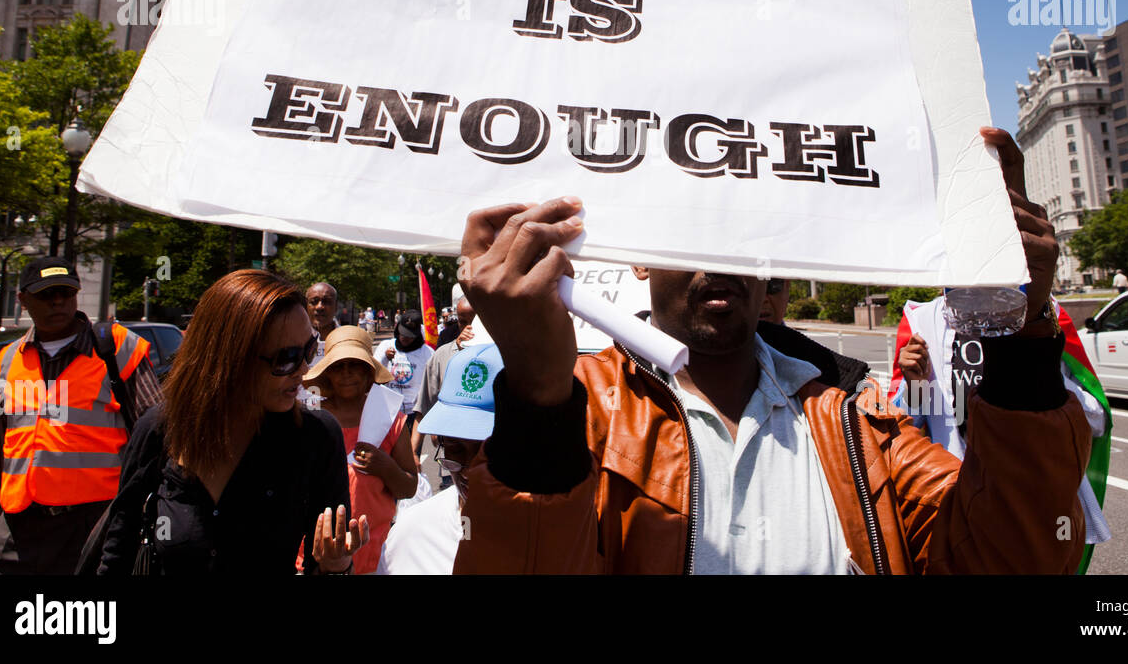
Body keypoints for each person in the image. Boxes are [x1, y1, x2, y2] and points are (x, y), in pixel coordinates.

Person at [451, 128, 1092, 574]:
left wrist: (1020, 325)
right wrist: (537, 398)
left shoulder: (860, 428)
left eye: (743, 237)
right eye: (691, 236)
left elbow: (1019, 555)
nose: (719, 261)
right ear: (642, 259)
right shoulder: (582, 413)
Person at [97, 270, 366, 575]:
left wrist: (337, 566)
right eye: (287, 357)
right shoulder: (160, 430)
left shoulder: (315, 437)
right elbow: (117, 554)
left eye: (308, 349)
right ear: (230, 358)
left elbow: (326, 564)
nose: (304, 369)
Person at [890, 293, 1112, 572]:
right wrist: (915, 386)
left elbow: (1096, 418)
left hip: (1035, 502)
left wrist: (1041, 381)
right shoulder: (921, 320)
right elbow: (901, 430)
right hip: (955, 501)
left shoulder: (1043, 313)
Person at [0, 257, 161, 575]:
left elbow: (156, 436)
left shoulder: (115, 349)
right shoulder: (6, 360)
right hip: (17, 524)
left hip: (94, 523)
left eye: (66, 291)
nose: (58, 301)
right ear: (21, 300)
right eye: (46, 294)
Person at [377, 343, 502, 575]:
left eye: (487, 451)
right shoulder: (411, 534)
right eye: (454, 449)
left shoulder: (555, 538)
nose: (467, 471)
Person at [305, 325, 420, 574]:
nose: (346, 373)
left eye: (355, 365)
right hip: (313, 554)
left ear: (369, 372)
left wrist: (386, 467)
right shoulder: (309, 419)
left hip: (373, 554)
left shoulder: (390, 418)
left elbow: (409, 488)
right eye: (338, 366)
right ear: (327, 374)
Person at [410, 299, 476, 469]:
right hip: (453, 456)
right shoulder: (442, 355)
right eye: (463, 322)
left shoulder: (500, 352)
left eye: (475, 320)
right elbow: (423, 408)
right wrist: (412, 452)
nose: (469, 328)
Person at [374, 310, 433, 416]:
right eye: (403, 333)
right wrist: (385, 358)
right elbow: (373, 375)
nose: (405, 338)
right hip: (388, 410)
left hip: (414, 412)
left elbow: (432, 383)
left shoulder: (427, 352)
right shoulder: (385, 345)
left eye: (410, 336)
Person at [307, 282, 341, 353]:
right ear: (305, 306)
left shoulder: (347, 341)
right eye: (314, 302)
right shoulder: (293, 341)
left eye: (327, 301)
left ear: (336, 306)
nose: (319, 307)